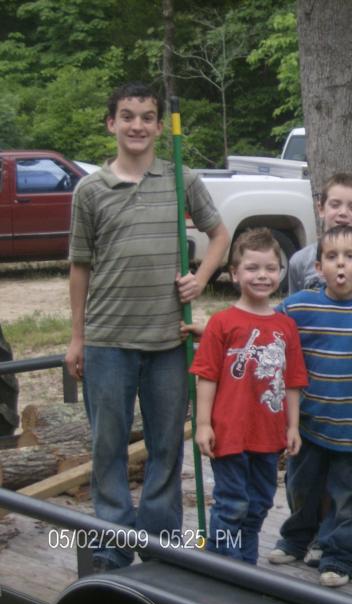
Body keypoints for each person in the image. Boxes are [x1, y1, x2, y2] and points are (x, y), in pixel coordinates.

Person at [65, 81, 229, 571]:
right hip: (108, 341)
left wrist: (201, 279)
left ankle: (158, 545)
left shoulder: (181, 177)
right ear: (111, 123)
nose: (138, 125)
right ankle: (113, 543)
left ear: (161, 126)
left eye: (147, 117)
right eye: (127, 116)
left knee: (164, 447)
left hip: (167, 341)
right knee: (108, 447)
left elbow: (220, 234)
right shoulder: (90, 190)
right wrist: (76, 336)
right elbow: (79, 266)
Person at [268, 225, 352, 588]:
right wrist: (212, 330)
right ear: (318, 267)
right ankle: (296, 538)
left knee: (348, 498)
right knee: (302, 488)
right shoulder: (300, 305)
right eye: (332, 257)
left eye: (350, 257)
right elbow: (259, 325)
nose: (341, 265)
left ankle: (339, 555)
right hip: (309, 423)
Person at [189, 228, 307, 564]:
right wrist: (202, 424)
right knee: (231, 503)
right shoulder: (222, 323)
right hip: (229, 432)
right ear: (234, 273)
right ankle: (220, 572)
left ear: (280, 272)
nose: (262, 276)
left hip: (268, 435)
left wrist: (293, 427)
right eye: (253, 268)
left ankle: (246, 568)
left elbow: (293, 381)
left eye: (270, 268)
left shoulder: (285, 326)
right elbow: (207, 376)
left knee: (259, 503)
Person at [287, 172, 352, 294]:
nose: (343, 212)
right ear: (321, 209)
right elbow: (294, 309)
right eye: (335, 205)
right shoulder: (300, 261)